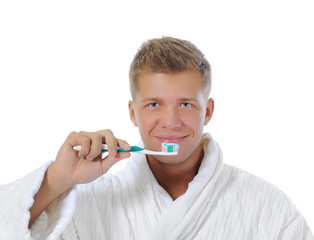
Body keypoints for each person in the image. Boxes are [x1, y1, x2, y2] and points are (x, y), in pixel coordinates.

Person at [0, 37, 313, 240]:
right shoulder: (90, 203)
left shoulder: (269, 208)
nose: (171, 121)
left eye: (186, 104)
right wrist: (57, 179)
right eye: (153, 104)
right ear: (133, 113)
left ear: (208, 111)